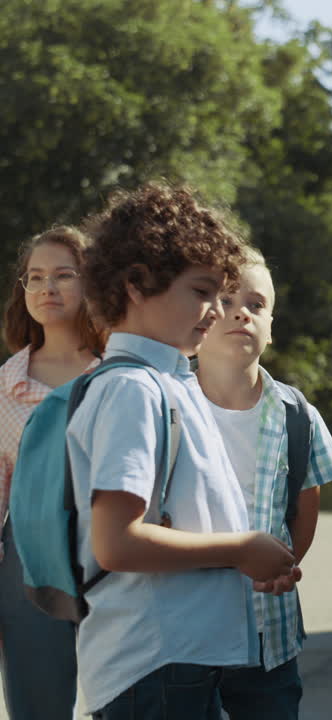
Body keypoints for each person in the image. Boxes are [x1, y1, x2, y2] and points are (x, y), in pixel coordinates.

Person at [71, 182, 299, 720]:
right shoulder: (133, 389)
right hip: (151, 661)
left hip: (178, 659)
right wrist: (240, 549)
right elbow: (117, 544)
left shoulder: (171, 381)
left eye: (222, 295)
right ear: (135, 284)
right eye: (201, 292)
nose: (216, 310)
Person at [195, 246, 332, 719]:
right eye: (225, 299)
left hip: (269, 635)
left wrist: (282, 567)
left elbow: (304, 510)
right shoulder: (165, 402)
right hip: (183, 631)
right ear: (198, 319)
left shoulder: (296, 414)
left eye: (257, 304)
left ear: (272, 328)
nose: (242, 311)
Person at [0, 226, 104, 718]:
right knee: (37, 706)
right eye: (35, 277)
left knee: (129, 697)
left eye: (64, 275)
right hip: (27, 564)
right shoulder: (5, 385)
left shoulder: (120, 372)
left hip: (112, 548)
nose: (47, 288)